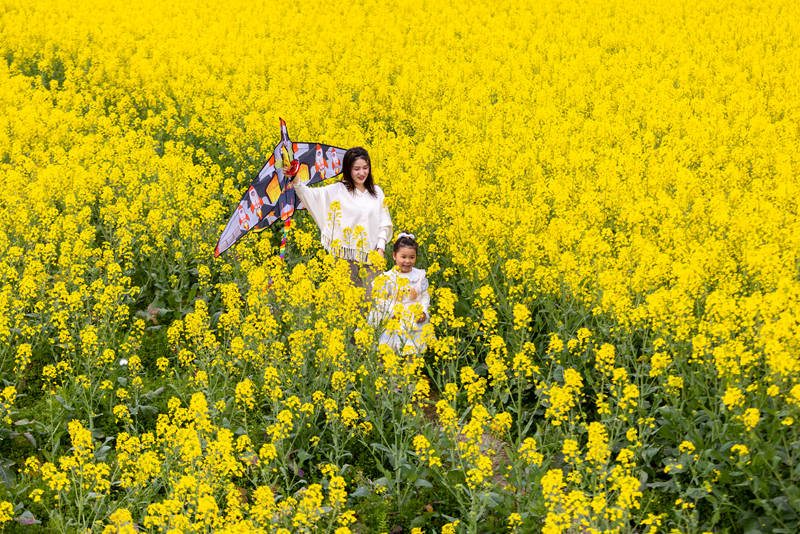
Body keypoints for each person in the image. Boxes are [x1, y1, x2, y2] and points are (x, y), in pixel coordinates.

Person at [292, 147, 393, 295]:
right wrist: (295, 180)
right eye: (356, 169)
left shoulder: (377, 192)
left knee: (374, 303)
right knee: (346, 302)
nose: (362, 173)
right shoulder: (338, 190)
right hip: (344, 259)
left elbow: (384, 222)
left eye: (365, 168)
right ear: (348, 169)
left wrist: (381, 248)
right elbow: (312, 196)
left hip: (372, 258)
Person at [369, 233, 432, 355]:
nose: (407, 261)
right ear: (394, 256)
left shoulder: (419, 276)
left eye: (412, 257)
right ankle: (391, 373)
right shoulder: (388, 278)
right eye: (403, 257)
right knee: (389, 350)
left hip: (414, 319)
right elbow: (381, 299)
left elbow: (424, 296)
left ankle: (409, 372)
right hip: (394, 318)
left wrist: (424, 311)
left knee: (414, 350)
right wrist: (391, 312)